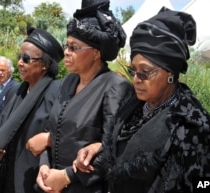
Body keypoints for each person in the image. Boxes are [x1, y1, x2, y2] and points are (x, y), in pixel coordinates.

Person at [72, 7, 210, 193]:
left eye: (145, 72)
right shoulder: (133, 105)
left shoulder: (193, 126)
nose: (137, 79)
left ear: (170, 73)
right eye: (133, 71)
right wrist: (101, 148)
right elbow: (125, 150)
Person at [27, 1, 137, 193]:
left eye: (74, 47)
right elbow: (51, 129)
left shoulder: (115, 88)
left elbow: (113, 149)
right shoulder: (68, 82)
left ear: (96, 53)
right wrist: (44, 167)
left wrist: (66, 176)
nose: (67, 52)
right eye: (66, 45)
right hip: (50, 182)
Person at [0, 26, 64, 193]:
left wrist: (49, 139)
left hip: (33, 174)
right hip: (6, 171)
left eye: (26, 58)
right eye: (19, 57)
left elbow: (63, 131)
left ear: (45, 64)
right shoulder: (18, 91)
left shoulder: (56, 91)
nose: (19, 63)